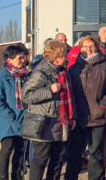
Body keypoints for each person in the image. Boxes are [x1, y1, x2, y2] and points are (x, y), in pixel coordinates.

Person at [66, 35, 106, 180]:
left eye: (91, 46)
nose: (88, 49)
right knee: (75, 153)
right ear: (80, 49)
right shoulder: (74, 68)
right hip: (78, 118)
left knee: (96, 154)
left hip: (98, 116)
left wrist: (103, 105)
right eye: (85, 46)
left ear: (96, 47)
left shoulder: (105, 65)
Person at [22, 40, 74, 180]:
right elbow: (26, 95)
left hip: (61, 121)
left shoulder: (63, 72)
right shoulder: (40, 73)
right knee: (41, 160)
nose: (66, 57)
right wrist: (49, 90)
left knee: (58, 159)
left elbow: (70, 96)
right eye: (63, 55)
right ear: (55, 58)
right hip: (44, 123)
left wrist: (72, 116)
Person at [0, 45, 29, 180]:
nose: (23, 60)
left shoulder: (26, 75)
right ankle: (3, 177)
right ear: (9, 60)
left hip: (24, 119)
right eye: (19, 58)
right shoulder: (1, 77)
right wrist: (11, 118)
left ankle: (17, 176)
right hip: (7, 120)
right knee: (7, 149)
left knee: (21, 150)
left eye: (24, 57)